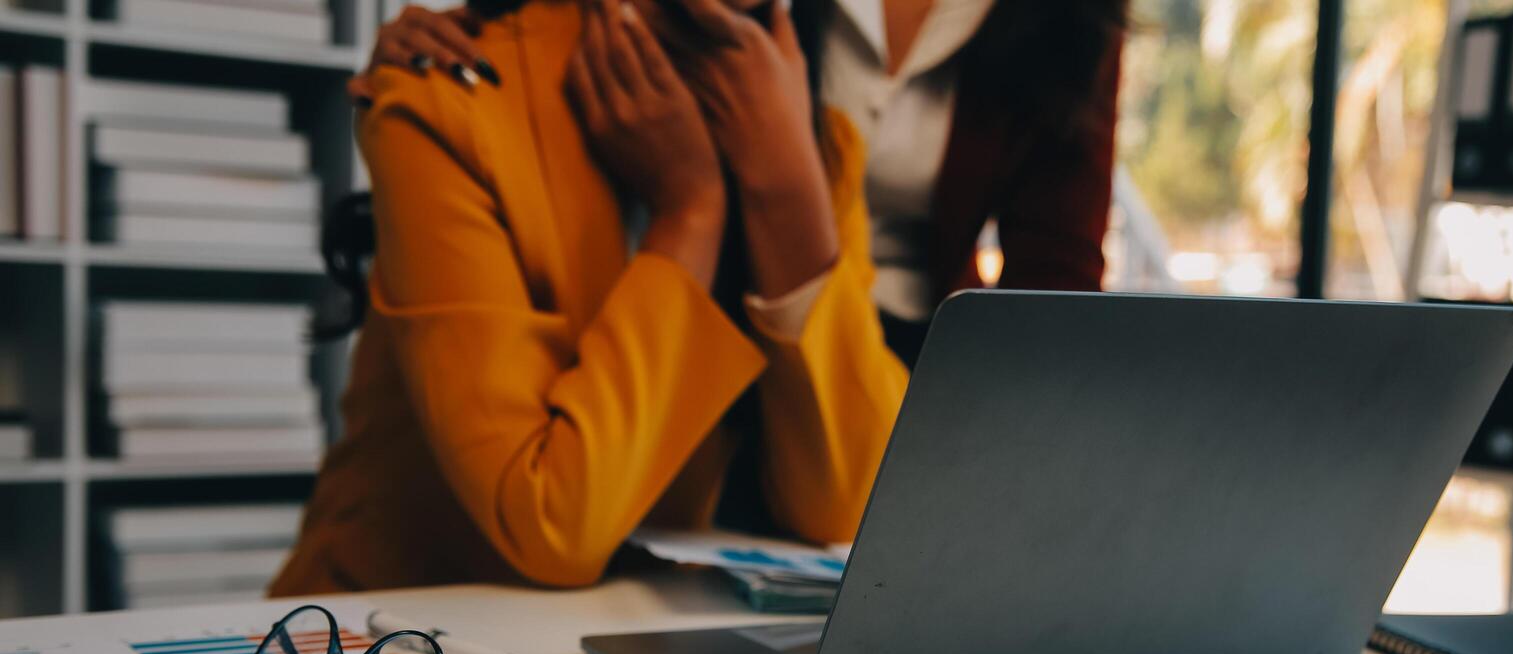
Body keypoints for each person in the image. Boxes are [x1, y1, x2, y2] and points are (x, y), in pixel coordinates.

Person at [269, 0, 908, 596]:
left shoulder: (808, 137)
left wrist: (787, 179)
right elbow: (553, 528)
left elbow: (854, 510)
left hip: (614, 648)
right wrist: (692, 209)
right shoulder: (448, 93)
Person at [355, 0, 1127, 366]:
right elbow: (605, 31)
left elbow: (1056, 295)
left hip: (923, 366)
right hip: (737, 308)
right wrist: (477, 36)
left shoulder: (1071, 22)